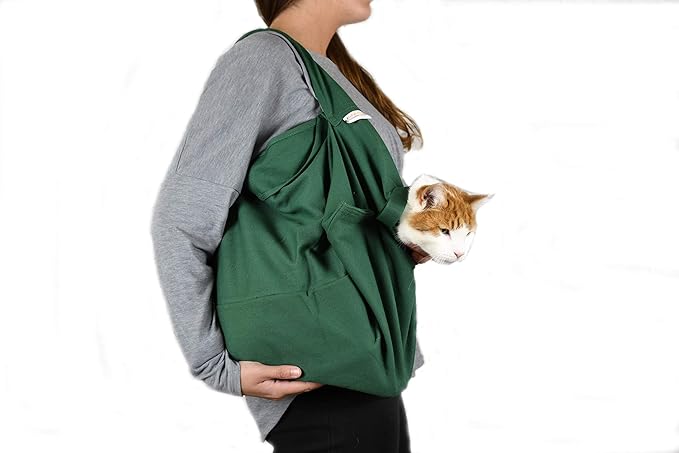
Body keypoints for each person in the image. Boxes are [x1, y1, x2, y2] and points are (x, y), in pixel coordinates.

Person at [150, 0, 429, 451]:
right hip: (318, 373)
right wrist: (213, 364)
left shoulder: (327, 71)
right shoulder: (263, 59)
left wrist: (407, 239)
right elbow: (181, 218)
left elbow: (328, 216)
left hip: (365, 358)